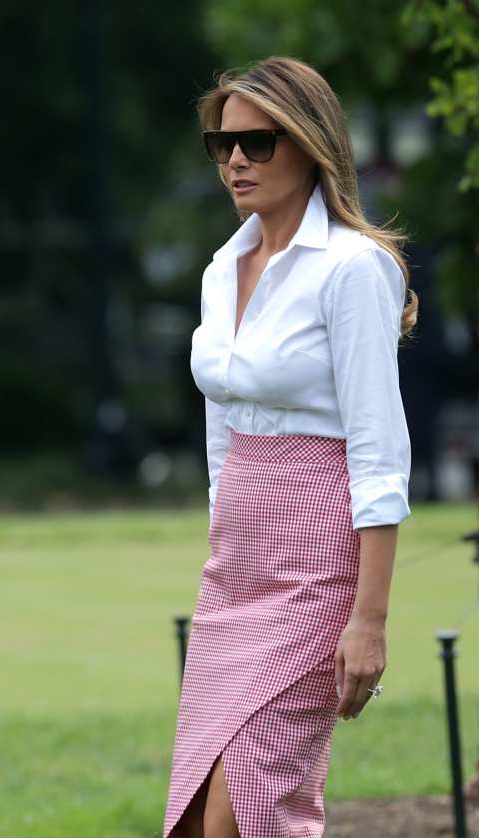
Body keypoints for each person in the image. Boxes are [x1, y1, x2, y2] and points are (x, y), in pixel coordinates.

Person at [165, 57, 415, 838]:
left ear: (309, 144)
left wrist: (368, 620)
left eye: (259, 142)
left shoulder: (353, 269)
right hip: (234, 569)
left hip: (317, 568)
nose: (235, 160)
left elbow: (380, 451)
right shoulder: (219, 270)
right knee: (203, 806)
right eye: (222, 143)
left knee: (243, 813)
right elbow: (222, 429)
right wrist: (221, 541)